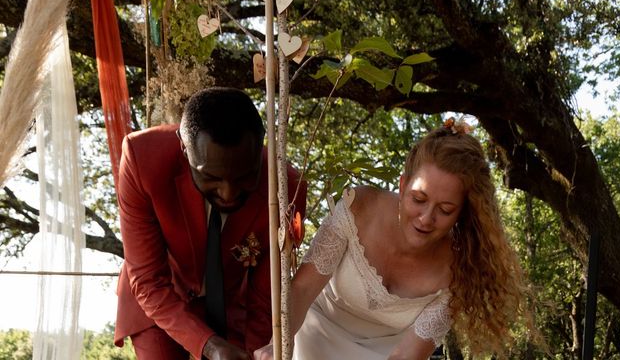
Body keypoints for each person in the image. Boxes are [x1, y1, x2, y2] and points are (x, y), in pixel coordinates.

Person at [254, 118, 535, 360]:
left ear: (462, 212)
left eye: (445, 210)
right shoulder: (359, 208)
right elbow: (301, 290)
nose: (426, 218)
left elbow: (406, 355)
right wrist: (277, 346)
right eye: (419, 199)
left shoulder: (460, 270)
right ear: (402, 185)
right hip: (311, 338)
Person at [114, 87, 307, 360]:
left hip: (233, 305)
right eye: (212, 178)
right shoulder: (141, 158)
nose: (228, 193)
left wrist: (258, 353)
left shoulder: (288, 189)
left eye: (244, 178)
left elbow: (264, 298)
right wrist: (210, 346)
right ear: (184, 147)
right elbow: (149, 281)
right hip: (161, 301)